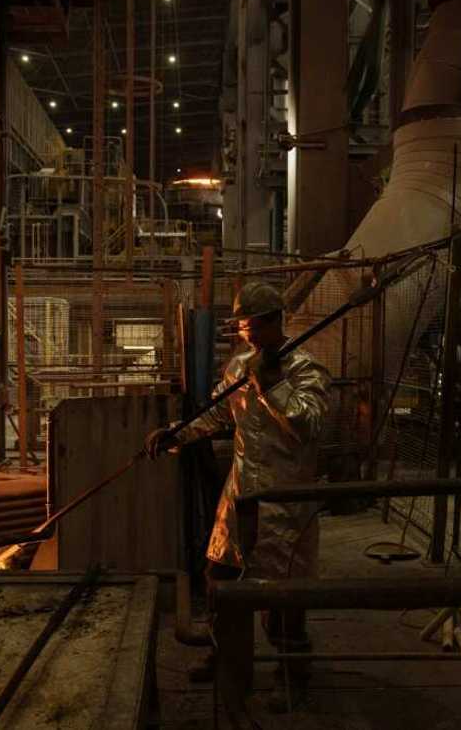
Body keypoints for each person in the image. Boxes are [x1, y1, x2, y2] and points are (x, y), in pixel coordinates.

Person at [145, 280, 331, 711]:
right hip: (242, 490)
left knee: (285, 592)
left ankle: (291, 672)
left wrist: (272, 386)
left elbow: (308, 426)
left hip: (285, 498)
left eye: (254, 327)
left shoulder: (305, 369)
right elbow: (217, 414)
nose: (248, 335)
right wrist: (176, 434)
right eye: (243, 328)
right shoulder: (239, 366)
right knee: (220, 575)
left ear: (276, 321)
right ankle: (224, 652)